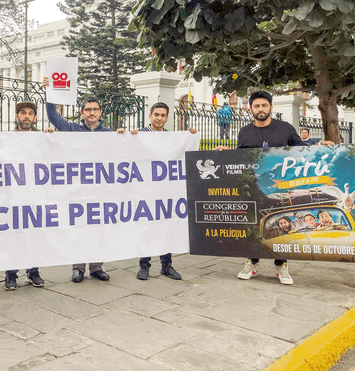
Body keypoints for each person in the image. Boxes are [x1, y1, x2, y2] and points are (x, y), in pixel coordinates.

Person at [215, 91, 334, 285]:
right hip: (256, 188)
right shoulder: (245, 131)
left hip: (281, 188)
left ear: (270, 107)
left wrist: (320, 145)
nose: (260, 109)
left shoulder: (285, 128)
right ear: (250, 108)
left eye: (264, 105)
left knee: (281, 223)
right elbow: (240, 157)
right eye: (256, 106)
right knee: (255, 225)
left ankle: (281, 266)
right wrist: (225, 153)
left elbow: (300, 149)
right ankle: (251, 262)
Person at [42, 76, 111, 283]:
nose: (91, 112)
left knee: (98, 229)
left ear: (100, 112)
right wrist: (49, 94)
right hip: (77, 190)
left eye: (95, 109)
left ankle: (97, 267)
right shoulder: (72, 129)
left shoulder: (110, 134)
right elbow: (54, 116)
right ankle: (78, 267)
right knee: (79, 228)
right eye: (88, 109)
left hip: (99, 190)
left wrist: (128, 135)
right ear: (82, 113)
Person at [131, 102, 196, 281]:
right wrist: (128, 136)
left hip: (166, 192)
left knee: (167, 226)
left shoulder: (171, 138)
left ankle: (166, 265)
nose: (159, 118)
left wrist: (189, 137)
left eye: (163, 115)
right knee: (147, 228)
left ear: (167, 118)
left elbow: (182, 154)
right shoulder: (141, 134)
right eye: (156, 114)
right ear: (150, 116)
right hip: (146, 191)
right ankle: (144, 265)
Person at [0, 102, 46, 290]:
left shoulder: (42, 138)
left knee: (33, 234)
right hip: (11, 195)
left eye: (30, 113)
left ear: (35, 117)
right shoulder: (5, 138)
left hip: (34, 194)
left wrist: (53, 138)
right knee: (12, 235)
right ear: (16, 116)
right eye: (23, 113)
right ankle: (11, 273)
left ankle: (32, 271)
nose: (27, 116)